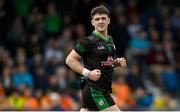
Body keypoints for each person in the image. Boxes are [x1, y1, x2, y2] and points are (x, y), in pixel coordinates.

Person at [66, 5, 126, 111]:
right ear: (92, 22)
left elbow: (105, 63)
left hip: (101, 90)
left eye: (103, 18)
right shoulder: (87, 41)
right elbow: (69, 60)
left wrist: (117, 63)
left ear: (109, 20)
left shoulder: (110, 40)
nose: (100, 21)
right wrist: (88, 73)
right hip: (95, 90)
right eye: (97, 19)